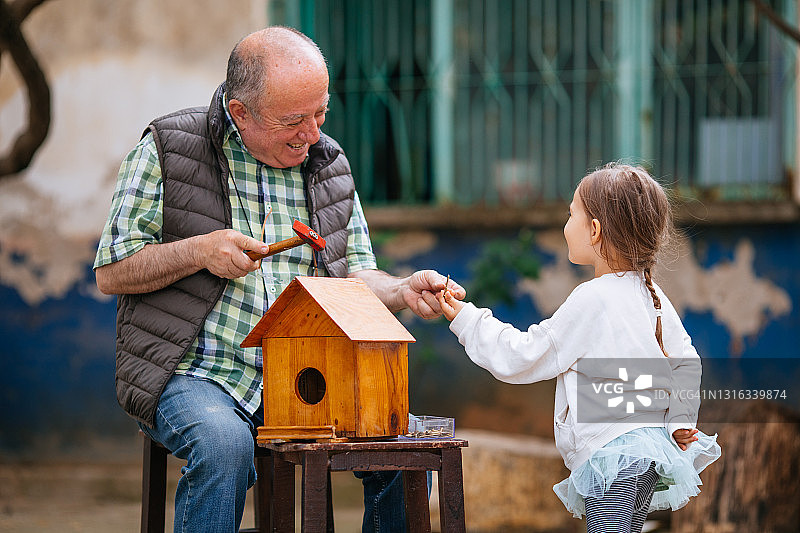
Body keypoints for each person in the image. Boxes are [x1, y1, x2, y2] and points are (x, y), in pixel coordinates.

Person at [94, 26, 464, 533]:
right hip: (194, 372)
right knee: (223, 445)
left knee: (401, 445)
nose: (311, 134)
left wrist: (400, 290)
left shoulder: (328, 164)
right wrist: (199, 251)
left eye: (320, 114)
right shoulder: (168, 147)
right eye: (293, 121)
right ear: (240, 111)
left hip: (306, 377)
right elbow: (112, 270)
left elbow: (354, 274)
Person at [437, 163, 721, 533]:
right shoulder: (652, 296)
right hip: (648, 453)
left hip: (611, 455)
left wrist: (467, 318)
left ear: (595, 230)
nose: (566, 225)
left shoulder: (592, 299)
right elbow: (687, 362)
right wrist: (681, 421)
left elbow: (523, 355)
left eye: (571, 214)